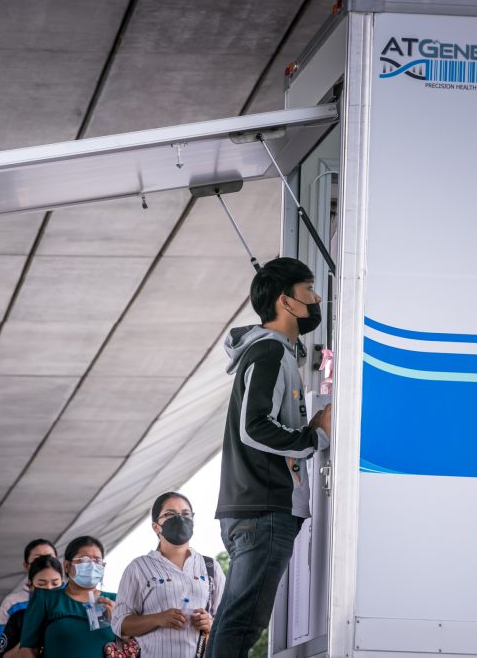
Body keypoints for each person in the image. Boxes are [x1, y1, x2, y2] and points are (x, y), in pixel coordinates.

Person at [205, 257, 332, 658]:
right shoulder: (270, 353)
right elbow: (255, 426)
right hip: (264, 507)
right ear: (286, 301)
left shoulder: (273, 353)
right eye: (309, 290)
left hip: (251, 508)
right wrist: (315, 437)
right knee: (242, 623)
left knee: (233, 620)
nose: (317, 299)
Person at [112, 492, 225, 657]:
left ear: (193, 522)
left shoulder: (210, 567)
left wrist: (211, 623)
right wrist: (157, 619)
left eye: (185, 514)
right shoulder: (139, 568)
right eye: (170, 514)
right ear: (156, 526)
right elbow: (120, 624)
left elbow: (228, 621)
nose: (179, 519)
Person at [18, 536, 116, 658]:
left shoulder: (115, 600)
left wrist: (120, 623)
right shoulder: (46, 599)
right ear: (67, 565)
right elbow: (27, 649)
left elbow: (132, 644)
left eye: (97, 560)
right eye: (84, 559)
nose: (92, 566)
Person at [0, 538, 58, 654]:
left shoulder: (72, 600)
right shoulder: (13, 603)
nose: (44, 562)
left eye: (50, 557)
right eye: (37, 559)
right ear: (26, 566)